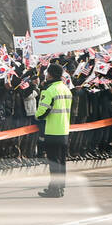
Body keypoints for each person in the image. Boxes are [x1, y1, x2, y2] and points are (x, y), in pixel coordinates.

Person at [35, 63, 72, 198]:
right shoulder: (66, 89)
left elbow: (41, 112)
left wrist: (37, 115)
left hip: (52, 131)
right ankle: (60, 188)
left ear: (50, 74)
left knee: (54, 163)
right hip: (64, 130)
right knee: (61, 162)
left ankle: (54, 189)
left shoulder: (49, 90)